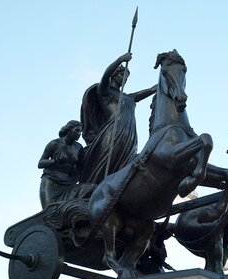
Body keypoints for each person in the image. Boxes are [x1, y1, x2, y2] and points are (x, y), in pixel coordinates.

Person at [80, 53, 157, 184]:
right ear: (115, 75)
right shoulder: (104, 92)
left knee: (127, 164)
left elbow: (151, 90)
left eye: (127, 78)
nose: (125, 79)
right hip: (113, 133)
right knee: (107, 163)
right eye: (123, 75)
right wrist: (120, 60)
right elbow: (105, 77)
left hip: (130, 135)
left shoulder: (129, 97)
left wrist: (166, 78)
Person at [38, 120, 94, 209]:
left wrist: (75, 176)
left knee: (93, 188)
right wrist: (54, 161)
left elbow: (81, 168)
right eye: (77, 130)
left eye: (80, 131)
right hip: (51, 183)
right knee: (50, 212)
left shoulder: (79, 148)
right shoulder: (54, 144)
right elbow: (40, 163)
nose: (79, 134)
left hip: (69, 185)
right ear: (69, 130)